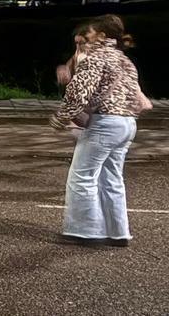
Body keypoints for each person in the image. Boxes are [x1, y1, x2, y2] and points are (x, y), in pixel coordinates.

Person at [50, 14, 142, 247]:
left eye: (87, 36)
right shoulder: (124, 60)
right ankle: (118, 232)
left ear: (101, 36)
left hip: (105, 124)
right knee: (112, 179)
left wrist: (60, 118)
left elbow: (79, 93)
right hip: (127, 123)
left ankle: (86, 231)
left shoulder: (95, 59)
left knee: (82, 176)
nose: (82, 40)